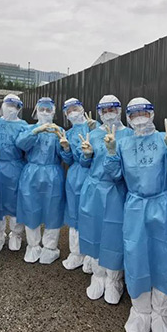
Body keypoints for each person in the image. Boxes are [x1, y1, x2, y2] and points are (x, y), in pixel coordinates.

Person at [103, 97, 167, 332]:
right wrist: (111, 153)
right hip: (136, 206)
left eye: (143, 113)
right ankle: (140, 311)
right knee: (136, 256)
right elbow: (115, 175)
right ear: (128, 118)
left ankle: (162, 313)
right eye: (134, 114)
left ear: (152, 114)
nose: (139, 118)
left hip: (166, 205)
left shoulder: (166, 138)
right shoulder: (123, 143)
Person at [77, 95, 133, 304]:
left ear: (120, 110)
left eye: (112, 109)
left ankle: (114, 280)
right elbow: (85, 164)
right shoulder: (92, 135)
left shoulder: (129, 135)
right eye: (105, 110)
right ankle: (98, 275)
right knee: (94, 231)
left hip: (117, 191)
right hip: (94, 189)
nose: (109, 113)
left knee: (114, 235)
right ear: (99, 112)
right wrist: (86, 155)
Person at [16, 97, 69, 264]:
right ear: (36, 111)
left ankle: (50, 248)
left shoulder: (59, 130)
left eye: (48, 110)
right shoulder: (29, 129)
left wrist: (65, 147)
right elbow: (21, 144)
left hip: (53, 173)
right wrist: (36, 131)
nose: (45, 112)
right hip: (31, 172)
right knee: (31, 208)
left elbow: (66, 157)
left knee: (53, 210)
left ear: (54, 112)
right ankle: (33, 246)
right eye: (42, 109)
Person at [57, 98, 98, 270]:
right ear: (66, 115)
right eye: (69, 111)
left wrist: (95, 129)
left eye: (75, 108)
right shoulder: (68, 134)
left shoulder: (95, 127)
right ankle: (76, 253)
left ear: (82, 109)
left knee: (91, 215)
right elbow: (68, 160)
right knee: (74, 215)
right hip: (75, 176)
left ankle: (91, 255)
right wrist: (66, 149)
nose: (73, 112)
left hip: (94, 175)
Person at [0, 94, 28, 252]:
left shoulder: (23, 125)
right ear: (3, 106)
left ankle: (16, 234)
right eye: (9, 105)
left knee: (15, 203)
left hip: (17, 168)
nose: (11, 109)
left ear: (19, 109)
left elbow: (28, 147)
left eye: (15, 106)